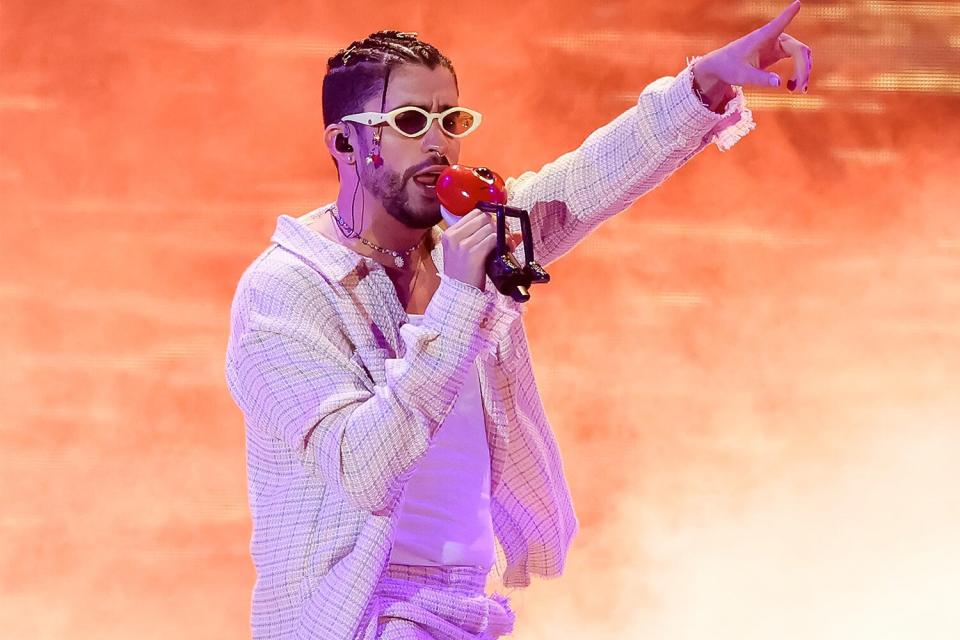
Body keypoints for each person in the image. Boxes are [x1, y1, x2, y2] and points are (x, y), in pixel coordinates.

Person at [224, 5, 812, 639]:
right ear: (345, 142)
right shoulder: (285, 293)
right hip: (359, 618)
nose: (438, 143)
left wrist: (705, 86)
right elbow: (365, 469)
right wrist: (457, 299)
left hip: (467, 607)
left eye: (450, 120)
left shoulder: (465, 243)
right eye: (411, 121)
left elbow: (584, 184)